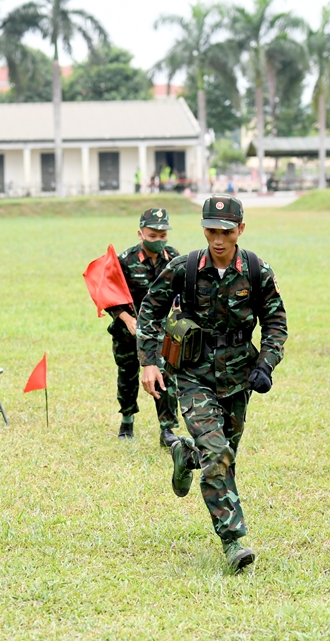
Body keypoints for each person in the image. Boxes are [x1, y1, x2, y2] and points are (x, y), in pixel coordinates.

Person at [137, 195, 287, 572]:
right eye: (210, 231)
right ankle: (233, 540)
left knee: (224, 456)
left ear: (240, 230)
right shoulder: (184, 268)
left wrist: (266, 364)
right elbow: (150, 312)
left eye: (226, 231)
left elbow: (276, 323)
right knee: (218, 455)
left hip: (239, 378)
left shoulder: (256, 270)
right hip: (192, 375)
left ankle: (186, 454)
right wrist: (149, 363)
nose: (218, 239)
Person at [105, 209, 182, 445]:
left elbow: (180, 291)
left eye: (163, 235)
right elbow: (109, 294)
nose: (158, 240)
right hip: (127, 331)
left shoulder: (173, 257)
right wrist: (127, 319)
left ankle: (167, 428)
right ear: (141, 233)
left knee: (164, 373)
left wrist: (178, 313)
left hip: (159, 331)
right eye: (152, 235)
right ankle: (127, 420)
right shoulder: (124, 260)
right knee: (127, 375)